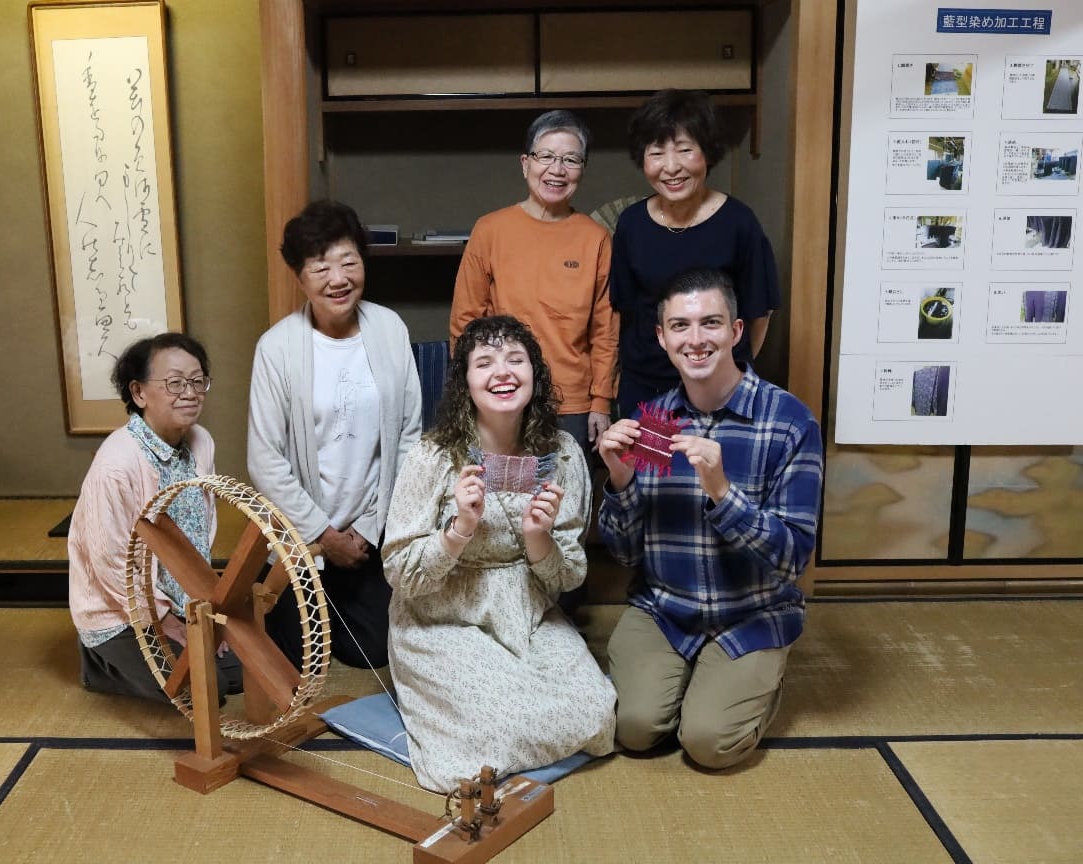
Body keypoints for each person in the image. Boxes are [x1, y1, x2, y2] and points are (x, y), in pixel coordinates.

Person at [597, 269, 822, 769]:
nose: (695, 339)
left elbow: (792, 559)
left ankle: (754, 680)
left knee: (708, 742)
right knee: (633, 730)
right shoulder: (655, 419)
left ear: (736, 332)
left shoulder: (789, 422)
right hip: (666, 610)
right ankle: (697, 677)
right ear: (662, 338)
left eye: (710, 324)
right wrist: (619, 480)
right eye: (680, 326)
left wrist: (722, 492)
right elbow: (626, 552)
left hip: (752, 614)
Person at [383, 315, 616, 792]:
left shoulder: (564, 454)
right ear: (466, 382)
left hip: (526, 611)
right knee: (495, 728)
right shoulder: (433, 456)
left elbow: (568, 575)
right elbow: (400, 572)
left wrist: (539, 537)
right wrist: (458, 530)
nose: (502, 372)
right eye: (484, 363)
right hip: (442, 616)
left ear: (535, 373)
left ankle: (515, 691)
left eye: (516, 360)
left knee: (597, 712)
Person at [248, 199, 422, 669]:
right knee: (297, 657)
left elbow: (408, 436)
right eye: (321, 267)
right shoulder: (277, 348)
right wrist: (324, 535)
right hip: (304, 535)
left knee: (372, 652)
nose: (338, 278)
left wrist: (365, 529)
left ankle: (347, 590)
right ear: (300, 277)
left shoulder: (388, 328)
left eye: (349, 261)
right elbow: (265, 459)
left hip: (369, 533)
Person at [68, 332, 241, 702]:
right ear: (139, 393)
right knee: (206, 692)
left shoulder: (200, 441)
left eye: (198, 382)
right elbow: (110, 562)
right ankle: (100, 662)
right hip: (119, 610)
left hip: (178, 600)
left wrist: (204, 616)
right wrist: (162, 620)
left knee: (246, 669)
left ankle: (161, 650)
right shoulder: (117, 464)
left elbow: (197, 537)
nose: (190, 393)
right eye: (175, 383)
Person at [449, 109, 617, 456]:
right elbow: (465, 321)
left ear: (582, 170)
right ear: (525, 163)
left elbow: (606, 330)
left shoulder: (596, 238)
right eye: (547, 157)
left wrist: (601, 401)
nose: (557, 170)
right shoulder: (490, 230)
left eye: (571, 159)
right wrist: (471, 391)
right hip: (501, 392)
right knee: (499, 502)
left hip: (571, 401)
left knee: (566, 503)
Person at [610, 89, 781, 418]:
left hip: (720, 389)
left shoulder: (738, 222)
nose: (671, 167)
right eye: (656, 153)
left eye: (685, 150)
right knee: (649, 471)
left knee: (714, 469)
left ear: (708, 153)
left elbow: (759, 313)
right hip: (647, 387)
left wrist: (729, 371)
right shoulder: (631, 224)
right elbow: (626, 311)